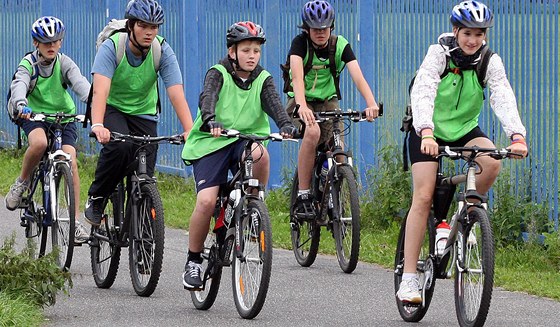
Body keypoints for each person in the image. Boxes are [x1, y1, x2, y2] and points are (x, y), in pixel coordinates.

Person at [396, 0, 528, 304]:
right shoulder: (438, 54)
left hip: (465, 129)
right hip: (427, 131)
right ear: (455, 30)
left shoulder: (488, 60)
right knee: (424, 196)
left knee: (492, 161)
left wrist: (517, 135)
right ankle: (409, 278)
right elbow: (424, 90)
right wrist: (426, 131)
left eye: (479, 34)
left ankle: (465, 216)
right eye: (467, 33)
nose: (473, 40)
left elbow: (502, 95)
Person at [181, 21, 296, 290]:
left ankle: (254, 205)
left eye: (256, 50)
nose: (252, 55)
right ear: (232, 51)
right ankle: (193, 261)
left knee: (261, 155)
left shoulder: (263, 78)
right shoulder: (218, 72)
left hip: (244, 140)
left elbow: (275, 106)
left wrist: (286, 125)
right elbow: (207, 98)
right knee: (207, 202)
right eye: (246, 50)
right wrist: (210, 120)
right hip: (212, 142)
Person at [84, 0, 193, 226]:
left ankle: (142, 237)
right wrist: (97, 125)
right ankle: (97, 197)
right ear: (131, 25)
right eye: (143, 26)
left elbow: (176, 93)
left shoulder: (161, 50)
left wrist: (189, 130)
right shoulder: (113, 47)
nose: (149, 32)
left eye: (154, 27)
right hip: (113, 108)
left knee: (144, 171)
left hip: (144, 112)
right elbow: (100, 92)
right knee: (120, 147)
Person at [286, 0, 380, 219]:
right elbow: (297, 78)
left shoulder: (340, 45)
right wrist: (301, 106)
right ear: (307, 29)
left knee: (338, 149)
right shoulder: (299, 44)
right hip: (301, 100)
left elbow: (358, 76)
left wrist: (371, 103)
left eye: (325, 28)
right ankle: (303, 194)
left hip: (328, 100)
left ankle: (337, 196)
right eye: (316, 29)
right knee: (313, 132)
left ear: (332, 26)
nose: (320, 33)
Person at [6, 16, 91, 243]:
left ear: (61, 42)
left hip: (63, 117)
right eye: (46, 43)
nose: (51, 46)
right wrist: (21, 104)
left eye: (55, 41)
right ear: (36, 44)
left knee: (70, 160)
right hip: (33, 114)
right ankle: (23, 181)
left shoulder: (65, 63)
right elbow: (20, 84)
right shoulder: (28, 65)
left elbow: (81, 84)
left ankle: (75, 223)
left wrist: (95, 104)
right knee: (40, 143)